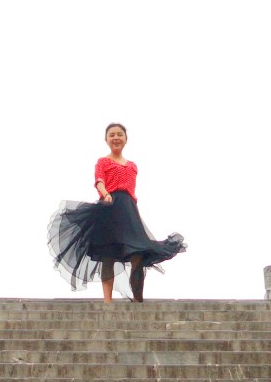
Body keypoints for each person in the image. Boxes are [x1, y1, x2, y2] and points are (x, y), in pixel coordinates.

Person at [46, 122, 187, 301]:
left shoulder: (133, 166)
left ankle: (138, 301)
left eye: (120, 134)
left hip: (129, 210)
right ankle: (107, 302)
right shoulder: (103, 162)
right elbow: (99, 181)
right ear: (106, 140)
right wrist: (105, 194)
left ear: (126, 139)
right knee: (108, 255)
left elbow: (132, 192)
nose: (116, 137)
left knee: (138, 253)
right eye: (111, 135)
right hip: (109, 208)